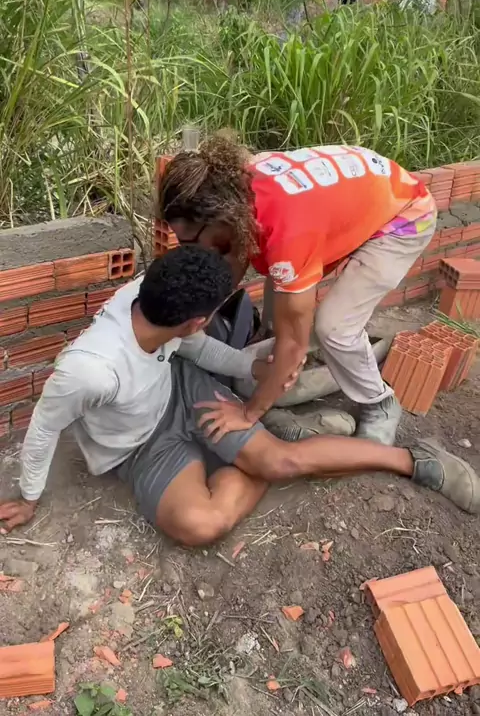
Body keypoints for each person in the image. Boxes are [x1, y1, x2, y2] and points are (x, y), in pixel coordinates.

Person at [0, 246, 478, 542]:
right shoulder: (91, 371)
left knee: (280, 463)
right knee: (201, 525)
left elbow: (195, 348)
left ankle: (415, 461)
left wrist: (251, 366)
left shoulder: (153, 296)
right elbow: (43, 427)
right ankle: (270, 442)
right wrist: (29, 497)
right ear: (197, 318)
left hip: (184, 392)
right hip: (140, 449)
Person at [158, 136, 438, 445]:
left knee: (334, 327)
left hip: (404, 217)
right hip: (355, 198)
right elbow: (231, 256)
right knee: (286, 305)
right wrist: (206, 310)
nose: (190, 250)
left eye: (190, 241)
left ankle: (379, 402)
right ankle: (294, 353)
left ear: (220, 219)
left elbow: (292, 341)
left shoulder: (287, 233)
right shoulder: (231, 186)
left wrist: (249, 413)